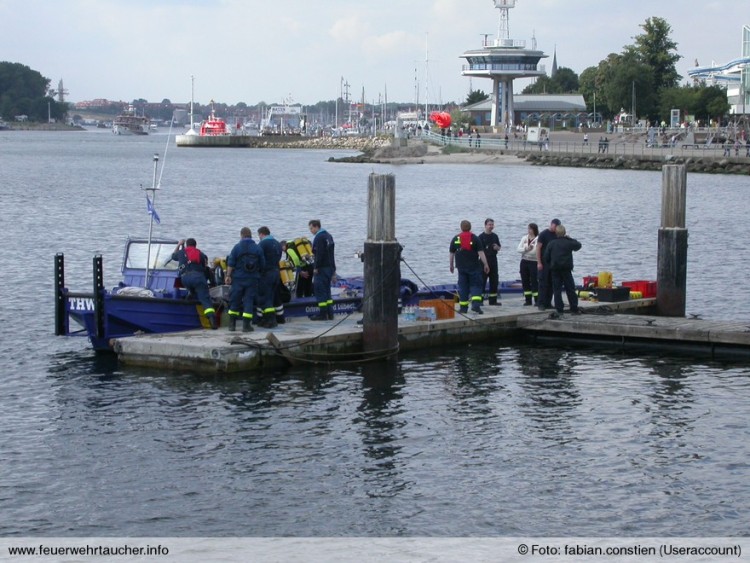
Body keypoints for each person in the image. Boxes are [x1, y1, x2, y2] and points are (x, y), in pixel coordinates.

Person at [225, 227, 265, 332]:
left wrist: (228, 276)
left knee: (235, 300)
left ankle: (232, 325)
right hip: (252, 279)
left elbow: (230, 263)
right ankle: (246, 326)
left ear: (241, 235)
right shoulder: (257, 248)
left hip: (238, 279)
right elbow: (263, 264)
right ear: (251, 235)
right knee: (249, 301)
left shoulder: (237, 247)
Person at [171, 238, 217, 329]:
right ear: (195, 245)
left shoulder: (181, 252)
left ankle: (191, 294)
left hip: (185, 279)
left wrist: (179, 244)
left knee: (191, 286)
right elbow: (204, 267)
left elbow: (173, 256)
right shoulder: (200, 254)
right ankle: (212, 321)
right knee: (205, 299)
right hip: (199, 278)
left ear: (186, 245)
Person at [449, 220, 490, 314]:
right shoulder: (475, 238)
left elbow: (451, 253)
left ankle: (463, 308)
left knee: (463, 287)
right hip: (474, 267)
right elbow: (481, 253)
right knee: (476, 286)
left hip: (461, 267)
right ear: (470, 227)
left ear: (461, 227)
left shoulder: (456, 238)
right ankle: (476, 306)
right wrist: (486, 264)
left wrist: (451, 265)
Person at [543, 224, 582, 315]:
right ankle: (574, 308)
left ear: (556, 233)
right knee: (570, 289)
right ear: (565, 233)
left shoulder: (551, 243)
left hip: (555, 269)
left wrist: (551, 264)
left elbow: (546, 257)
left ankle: (559, 309)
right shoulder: (568, 242)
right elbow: (578, 245)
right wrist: (570, 238)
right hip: (566, 269)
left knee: (557, 290)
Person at [308, 219, 336, 321]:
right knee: (327, 291)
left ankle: (323, 314)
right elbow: (331, 254)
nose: (311, 231)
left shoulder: (319, 237)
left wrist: (316, 267)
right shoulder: (328, 236)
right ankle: (330, 314)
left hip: (321, 268)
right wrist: (334, 270)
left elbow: (319, 254)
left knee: (320, 291)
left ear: (316, 227)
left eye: (311, 228)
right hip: (330, 267)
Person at [257, 226, 282, 328]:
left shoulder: (262, 243)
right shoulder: (277, 243)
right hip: (276, 272)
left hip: (266, 274)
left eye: (259, 235)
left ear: (261, 234)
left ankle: (270, 320)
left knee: (265, 297)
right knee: (271, 296)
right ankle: (272, 319)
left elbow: (258, 258)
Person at [536, 218, 561, 310]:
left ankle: (548, 302)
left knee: (551, 283)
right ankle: (541, 303)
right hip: (544, 262)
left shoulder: (557, 234)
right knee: (543, 283)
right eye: (555, 226)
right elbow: (538, 248)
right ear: (551, 224)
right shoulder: (543, 234)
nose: (556, 228)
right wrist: (539, 262)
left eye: (557, 227)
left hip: (553, 263)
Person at [477, 218, 502, 305]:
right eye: (489, 225)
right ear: (485, 225)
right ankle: (480, 301)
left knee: (494, 281)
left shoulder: (495, 236)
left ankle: (493, 301)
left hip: (493, 260)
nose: (491, 226)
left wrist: (497, 248)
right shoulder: (481, 237)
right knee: (482, 281)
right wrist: (484, 263)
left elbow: (499, 247)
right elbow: (478, 251)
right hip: (483, 261)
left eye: (492, 225)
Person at [517, 222, 539, 306]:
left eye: (531, 229)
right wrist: (526, 249)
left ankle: (537, 300)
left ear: (534, 230)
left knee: (534, 281)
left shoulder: (538, 239)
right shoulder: (524, 238)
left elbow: (534, 252)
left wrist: (528, 250)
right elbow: (518, 249)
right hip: (524, 261)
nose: (529, 231)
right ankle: (528, 300)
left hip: (534, 261)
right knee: (525, 280)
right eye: (528, 229)